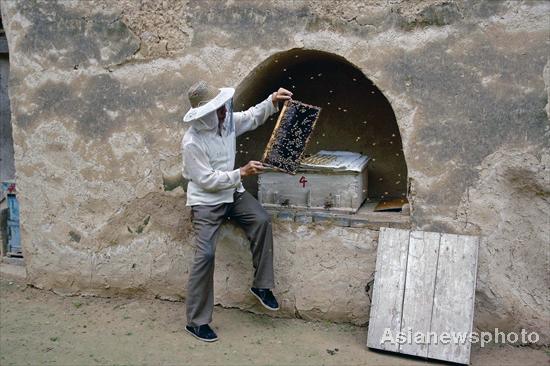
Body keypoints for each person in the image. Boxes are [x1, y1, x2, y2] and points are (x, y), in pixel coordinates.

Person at [181, 80, 293, 342]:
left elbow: (252, 117)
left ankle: (262, 285)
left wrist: (272, 100)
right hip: (206, 201)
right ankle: (196, 322)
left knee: (262, 220)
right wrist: (241, 172)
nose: (224, 112)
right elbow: (206, 180)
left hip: (233, 194)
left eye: (223, 106)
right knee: (205, 254)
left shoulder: (227, 121)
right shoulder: (191, 142)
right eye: (217, 109)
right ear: (204, 113)